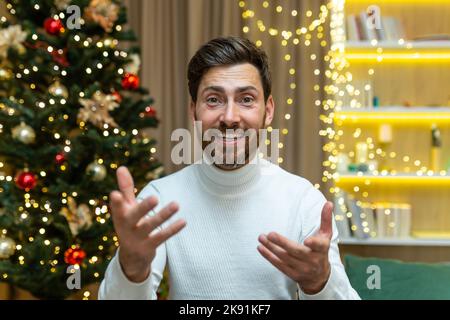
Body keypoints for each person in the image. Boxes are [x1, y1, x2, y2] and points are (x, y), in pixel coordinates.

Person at [98, 36, 360, 300]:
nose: (230, 118)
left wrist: (320, 283)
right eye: (213, 100)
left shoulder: (304, 201)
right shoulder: (160, 199)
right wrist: (131, 271)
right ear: (194, 111)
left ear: (268, 111)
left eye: (246, 99)